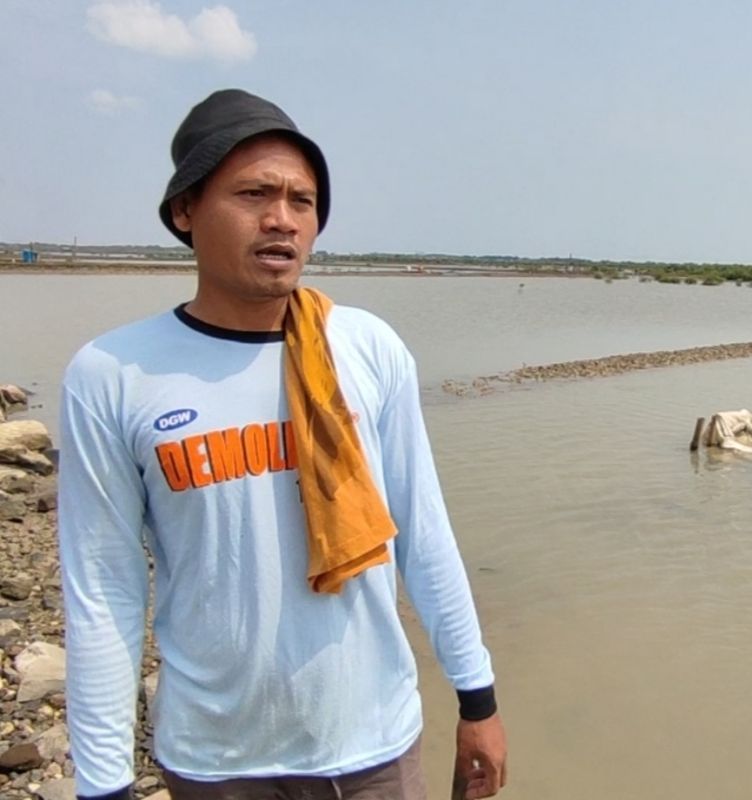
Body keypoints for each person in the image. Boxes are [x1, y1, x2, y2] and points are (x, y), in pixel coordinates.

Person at [57, 88, 507, 800]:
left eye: (303, 200)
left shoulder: (366, 348)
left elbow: (424, 535)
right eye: (254, 193)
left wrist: (476, 697)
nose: (282, 219)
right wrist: (103, 783)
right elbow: (104, 587)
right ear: (184, 211)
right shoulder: (114, 375)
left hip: (372, 749)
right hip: (214, 758)